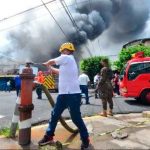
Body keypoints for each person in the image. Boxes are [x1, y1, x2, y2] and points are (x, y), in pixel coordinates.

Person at [38, 42, 90, 149]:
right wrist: (50, 67)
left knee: (76, 118)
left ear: (67, 51)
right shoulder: (66, 63)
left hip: (73, 95)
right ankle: (49, 136)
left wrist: (48, 63)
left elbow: (53, 61)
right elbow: (59, 71)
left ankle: (85, 138)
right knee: (54, 115)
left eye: (63, 51)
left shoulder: (68, 58)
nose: (62, 53)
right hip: (63, 95)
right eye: (62, 52)